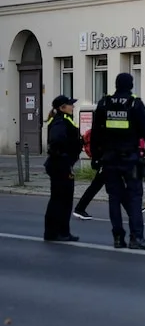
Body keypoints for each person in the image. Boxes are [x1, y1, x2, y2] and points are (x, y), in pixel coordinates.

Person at [90, 72, 145, 250]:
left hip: (109, 159)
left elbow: (96, 132)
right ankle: (136, 238)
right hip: (131, 158)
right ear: (130, 85)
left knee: (114, 198)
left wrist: (96, 157)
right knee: (135, 198)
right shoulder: (135, 103)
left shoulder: (104, 103)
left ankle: (118, 238)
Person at [43, 95, 83, 242]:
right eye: (70, 105)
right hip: (61, 164)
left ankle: (55, 232)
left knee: (58, 199)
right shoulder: (61, 121)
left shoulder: (61, 119)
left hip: (60, 163)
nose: (73, 107)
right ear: (62, 108)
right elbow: (57, 141)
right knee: (62, 200)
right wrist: (66, 159)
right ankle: (59, 232)